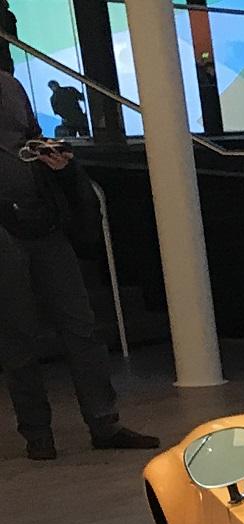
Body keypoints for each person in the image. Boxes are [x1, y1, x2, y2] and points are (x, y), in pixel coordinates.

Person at [0, 72, 156, 460]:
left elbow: (30, 138)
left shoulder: (10, 85)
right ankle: (37, 433)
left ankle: (104, 423)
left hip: (43, 220)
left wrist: (51, 158)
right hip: (4, 229)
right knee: (18, 335)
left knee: (80, 326)